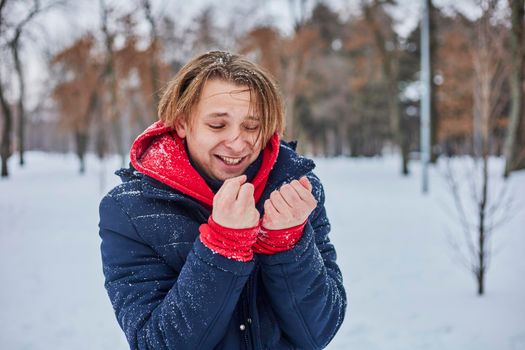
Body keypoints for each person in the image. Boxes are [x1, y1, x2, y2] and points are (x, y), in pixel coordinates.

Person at [98, 51, 346, 350]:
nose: (237, 142)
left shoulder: (297, 192)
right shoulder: (130, 210)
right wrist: (223, 246)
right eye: (217, 125)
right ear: (182, 123)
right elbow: (157, 343)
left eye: (252, 126)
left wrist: (288, 244)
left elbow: (318, 331)